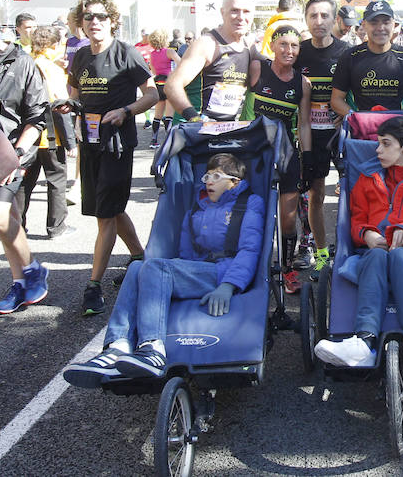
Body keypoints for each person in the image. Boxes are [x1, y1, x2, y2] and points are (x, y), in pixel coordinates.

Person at [63, 153, 265, 385]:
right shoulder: (198, 207)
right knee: (138, 267)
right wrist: (179, 273)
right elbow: (186, 251)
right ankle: (117, 345)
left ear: (234, 182)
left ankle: (153, 348)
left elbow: (250, 250)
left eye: (216, 176)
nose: (208, 181)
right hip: (198, 270)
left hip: (224, 272)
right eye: (207, 175)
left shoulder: (250, 203)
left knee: (156, 268)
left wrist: (229, 286)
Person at [313, 116, 403, 367]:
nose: (377, 150)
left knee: (399, 255)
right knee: (377, 255)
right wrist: (366, 233)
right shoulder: (367, 177)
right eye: (378, 143)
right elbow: (355, 219)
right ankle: (362, 342)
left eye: (385, 144)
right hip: (371, 251)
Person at [59, 0, 159, 316]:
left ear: (112, 20)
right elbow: (75, 95)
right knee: (112, 209)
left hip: (117, 143)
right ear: (82, 23)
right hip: (90, 143)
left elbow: (153, 94)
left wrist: (125, 111)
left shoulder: (126, 53)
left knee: (105, 215)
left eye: (101, 16)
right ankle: (140, 257)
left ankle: (93, 287)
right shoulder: (80, 56)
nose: (95, 22)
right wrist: (69, 107)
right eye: (88, 17)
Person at [0, 8, 52, 315]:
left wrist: (13, 157)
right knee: (9, 219)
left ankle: (33, 270)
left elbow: (39, 114)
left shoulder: (21, 62)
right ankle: (20, 283)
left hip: (13, 151)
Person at [248, 25, 311, 294]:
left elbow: (305, 124)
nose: (289, 50)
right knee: (254, 213)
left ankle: (287, 269)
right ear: (272, 46)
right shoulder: (257, 68)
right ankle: (249, 266)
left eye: (294, 46)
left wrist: (306, 159)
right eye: (283, 44)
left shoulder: (302, 83)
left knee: (288, 216)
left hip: (286, 152)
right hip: (255, 149)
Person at [295, 0, 349, 279]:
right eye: (313, 16)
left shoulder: (347, 52)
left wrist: (346, 111)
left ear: (334, 19)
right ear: (306, 19)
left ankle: (351, 251)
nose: (319, 21)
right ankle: (321, 253)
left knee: (352, 194)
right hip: (309, 134)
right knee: (314, 194)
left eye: (324, 16)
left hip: (339, 134)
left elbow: (354, 90)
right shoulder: (298, 52)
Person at [15, 25, 77, 239]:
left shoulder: (24, 62)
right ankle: (56, 226)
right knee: (57, 180)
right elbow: (59, 106)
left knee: (24, 183)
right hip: (50, 135)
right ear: (53, 44)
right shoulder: (50, 67)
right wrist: (70, 142)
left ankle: (17, 226)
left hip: (25, 135)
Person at [165, 0, 255, 123]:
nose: (241, 17)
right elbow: (172, 85)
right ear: (222, 12)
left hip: (224, 131)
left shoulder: (248, 47)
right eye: (234, 10)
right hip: (195, 132)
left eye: (246, 11)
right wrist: (193, 118)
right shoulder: (207, 44)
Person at [330, 0, 403, 116]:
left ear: (394, 24)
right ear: (364, 25)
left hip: (397, 129)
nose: (380, 28)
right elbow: (336, 100)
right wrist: (355, 119)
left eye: (386, 22)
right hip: (362, 131)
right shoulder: (350, 56)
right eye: (374, 23)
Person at [147, 29, 181, 148]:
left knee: (157, 114)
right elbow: (181, 63)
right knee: (169, 115)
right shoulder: (169, 51)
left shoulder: (152, 54)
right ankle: (169, 141)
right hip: (168, 83)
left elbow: (153, 70)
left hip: (157, 83)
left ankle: (154, 140)